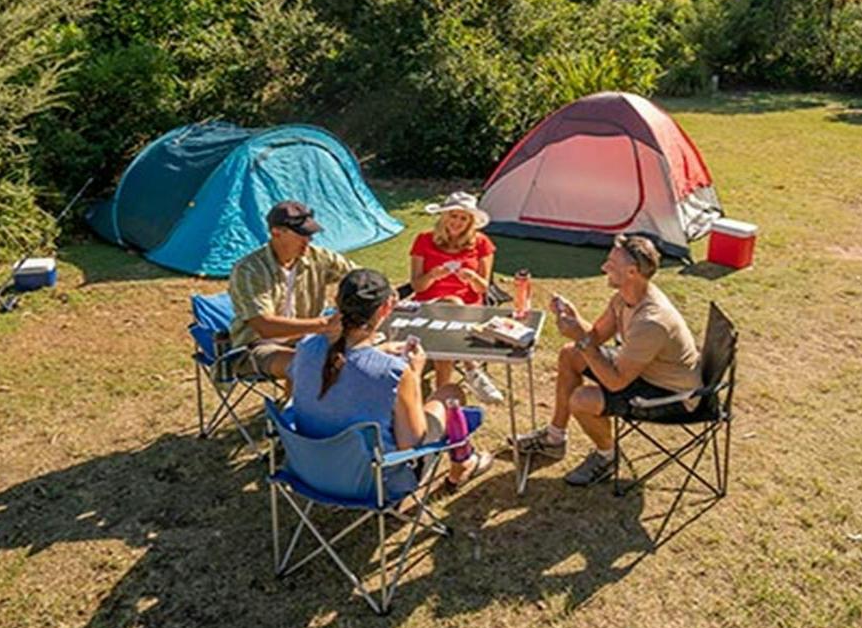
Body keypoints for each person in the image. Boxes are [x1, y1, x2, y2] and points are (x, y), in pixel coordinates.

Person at [513, 234, 701, 487]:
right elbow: (596, 337)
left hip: (670, 394)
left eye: (611, 264)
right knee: (571, 354)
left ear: (632, 271)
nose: (603, 268)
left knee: (581, 399)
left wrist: (582, 339)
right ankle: (554, 438)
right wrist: (576, 319)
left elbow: (614, 382)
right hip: (642, 370)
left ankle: (606, 456)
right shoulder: (625, 296)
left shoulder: (652, 321)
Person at [288, 269, 493, 491]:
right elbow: (411, 443)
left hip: (310, 468)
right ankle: (463, 463)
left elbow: (344, 369)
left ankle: (463, 464)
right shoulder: (392, 371)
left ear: (337, 301)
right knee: (451, 393)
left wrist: (377, 351)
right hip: (374, 483)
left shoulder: (306, 346)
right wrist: (413, 374)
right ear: (386, 308)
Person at [228, 201, 353, 388]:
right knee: (308, 365)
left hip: (306, 340)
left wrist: (377, 292)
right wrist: (324, 324)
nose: (307, 241)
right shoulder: (249, 270)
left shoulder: (317, 257)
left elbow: (358, 276)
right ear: (276, 233)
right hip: (257, 347)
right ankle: (297, 414)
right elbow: (265, 326)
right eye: (301, 235)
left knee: (359, 355)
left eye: (310, 235)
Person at [409, 191, 505, 405]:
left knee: (451, 317)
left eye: (463, 218)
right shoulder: (424, 240)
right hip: (428, 307)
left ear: (471, 222)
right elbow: (417, 286)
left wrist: (471, 277)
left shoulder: (481, 243)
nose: (457, 222)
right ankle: (472, 370)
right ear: (443, 217)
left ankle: (440, 399)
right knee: (451, 305)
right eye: (453, 216)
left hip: (468, 311)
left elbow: (483, 288)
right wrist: (433, 275)